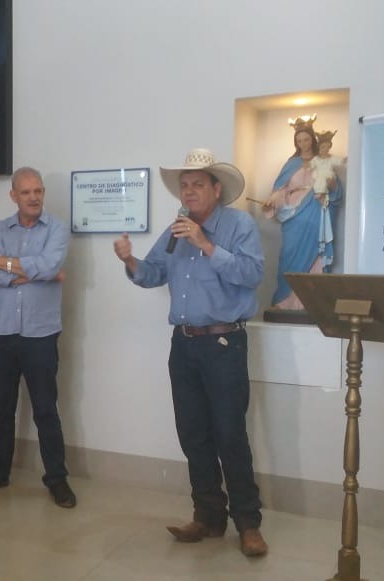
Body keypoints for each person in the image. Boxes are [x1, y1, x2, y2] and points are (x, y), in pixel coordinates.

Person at [113, 147, 268, 557]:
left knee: (230, 435)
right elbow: (151, 274)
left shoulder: (239, 226)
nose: (189, 191)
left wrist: (207, 245)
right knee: (193, 434)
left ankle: (248, 524)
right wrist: (129, 261)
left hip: (223, 343)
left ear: (217, 189)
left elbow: (253, 275)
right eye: (184, 186)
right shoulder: (175, 230)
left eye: (198, 184)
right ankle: (208, 517)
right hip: (183, 345)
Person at [0, 166, 76, 509]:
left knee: (45, 411)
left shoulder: (56, 229)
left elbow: (50, 266)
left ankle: (57, 479)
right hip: (2, 332)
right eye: (26, 192)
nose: (34, 197)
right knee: (1, 409)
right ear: (14, 196)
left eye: (38, 191)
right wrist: (32, 271)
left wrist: (5, 264)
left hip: (41, 334)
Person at [262, 123, 343, 310]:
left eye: (306, 139)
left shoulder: (323, 161)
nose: (303, 143)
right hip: (294, 216)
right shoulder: (291, 164)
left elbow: (336, 192)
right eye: (299, 140)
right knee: (289, 255)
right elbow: (280, 190)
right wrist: (272, 201)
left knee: (316, 255)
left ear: (312, 140)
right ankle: (284, 301)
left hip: (317, 212)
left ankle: (312, 303)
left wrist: (330, 181)